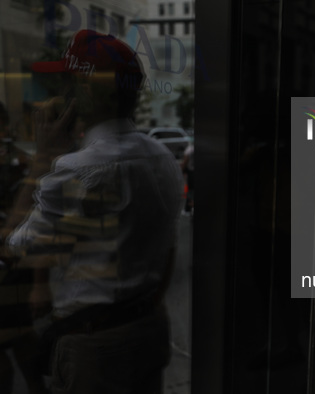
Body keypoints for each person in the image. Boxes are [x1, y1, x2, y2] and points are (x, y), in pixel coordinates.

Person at [2, 30, 184, 393]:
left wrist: (43, 158)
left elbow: (12, 247)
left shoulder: (80, 168)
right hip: (147, 325)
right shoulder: (160, 156)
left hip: (97, 344)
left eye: (68, 80)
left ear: (85, 91)